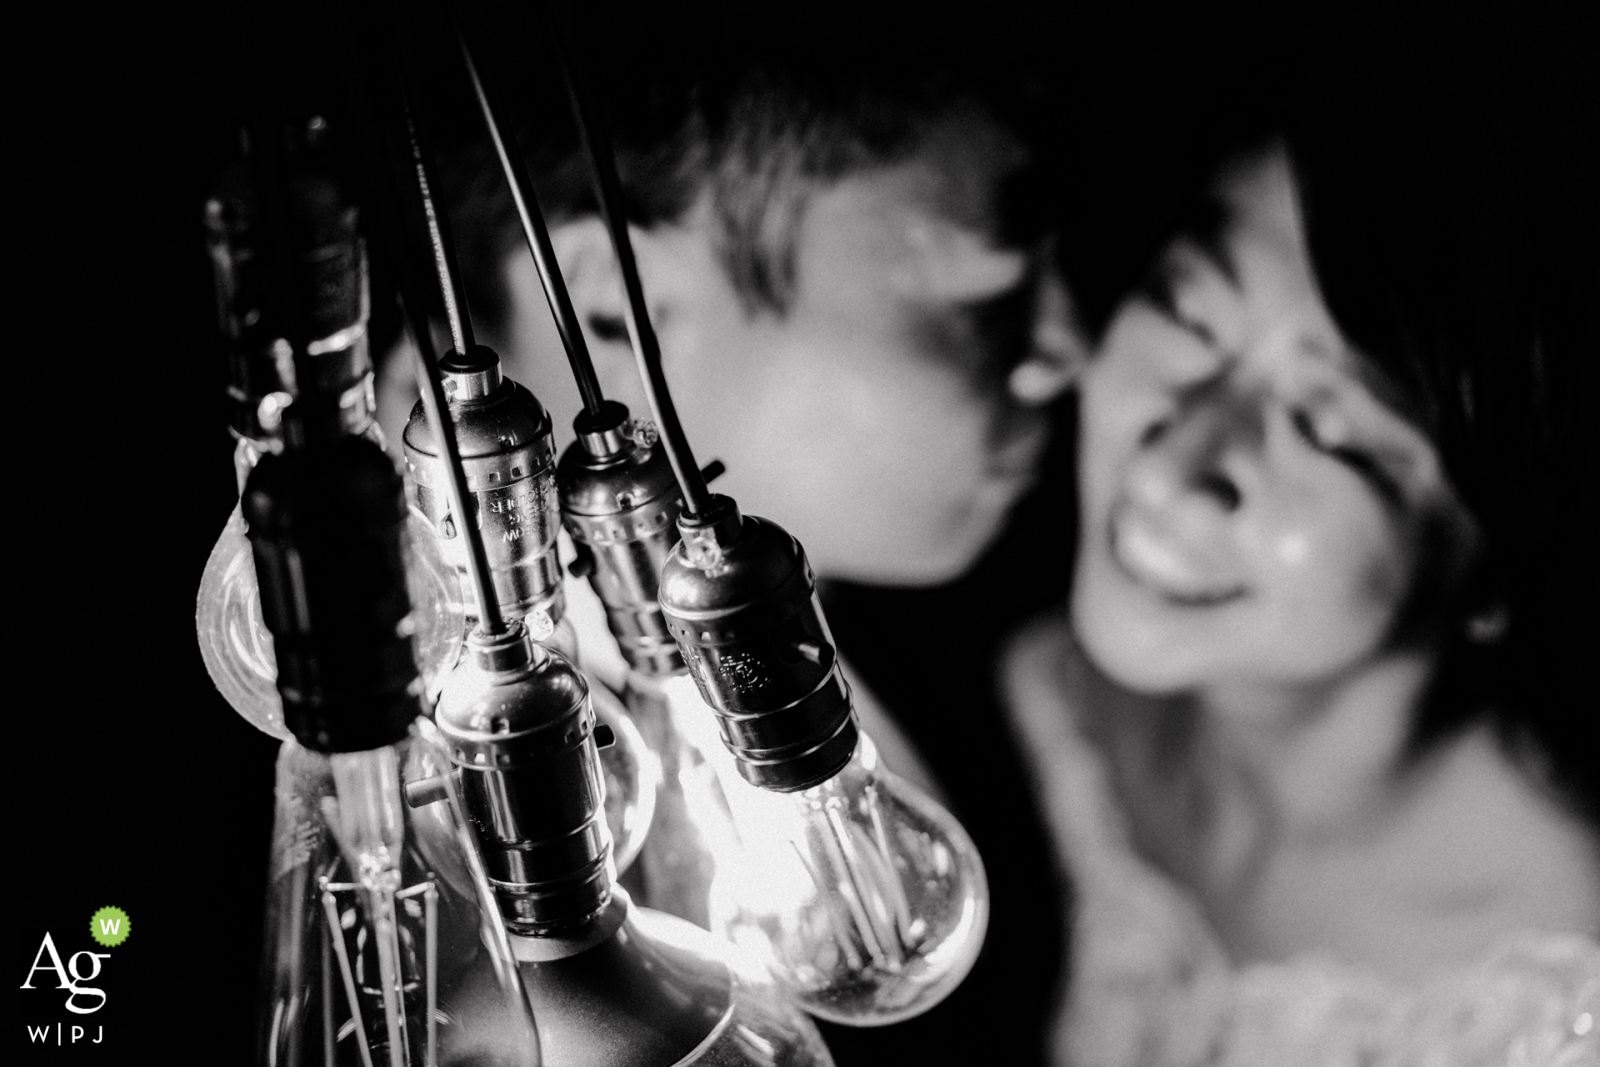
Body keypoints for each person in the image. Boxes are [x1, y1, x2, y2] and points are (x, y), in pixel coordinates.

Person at [1001, 33, 1600, 1066]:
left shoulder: (1564, 985)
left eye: (1332, 429)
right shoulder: (1044, 704)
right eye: (1189, 311)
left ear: (1494, 565)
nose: (1175, 463)